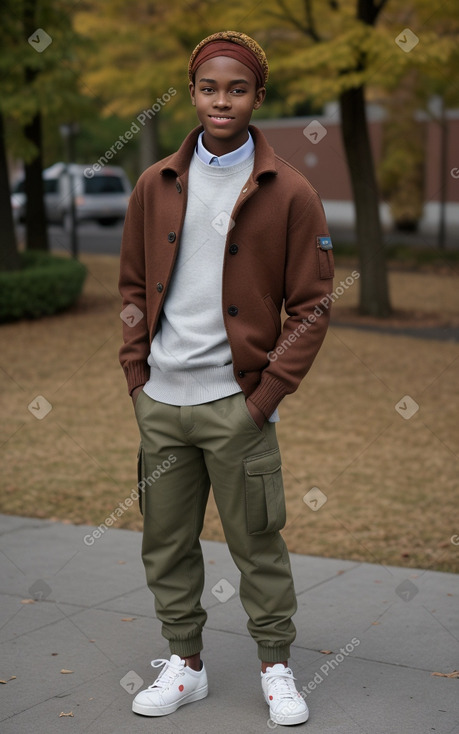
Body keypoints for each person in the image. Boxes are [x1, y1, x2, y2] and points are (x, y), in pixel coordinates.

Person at [118, 30, 334, 727]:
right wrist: (135, 375)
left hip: (236, 405)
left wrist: (266, 397)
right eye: (209, 87)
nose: (221, 100)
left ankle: (276, 668)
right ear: (192, 93)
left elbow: (311, 306)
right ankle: (185, 665)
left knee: (257, 543)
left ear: (257, 97)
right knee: (165, 543)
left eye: (236, 88)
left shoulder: (290, 191)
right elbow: (128, 285)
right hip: (162, 402)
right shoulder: (154, 184)